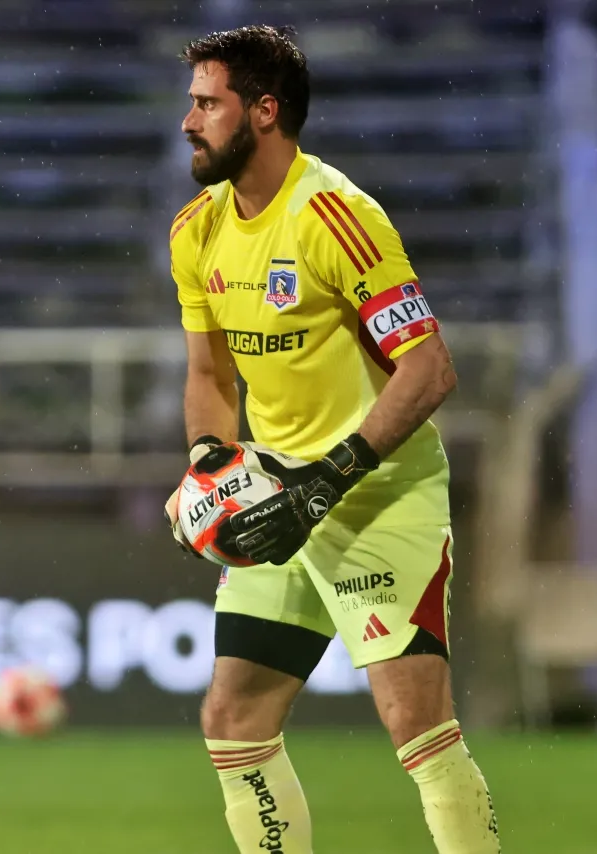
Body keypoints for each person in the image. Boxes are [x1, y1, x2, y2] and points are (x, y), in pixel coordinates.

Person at [162, 24, 501, 854]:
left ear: (264, 112)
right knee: (234, 718)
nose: (188, 121)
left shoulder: (337, 218)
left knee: (414, 720)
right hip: (278, 499)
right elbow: (210, 377)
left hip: (377, 496)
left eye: (207, 103)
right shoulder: (195, 231)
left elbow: (429, 369)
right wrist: (210, 466)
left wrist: (327, 480)